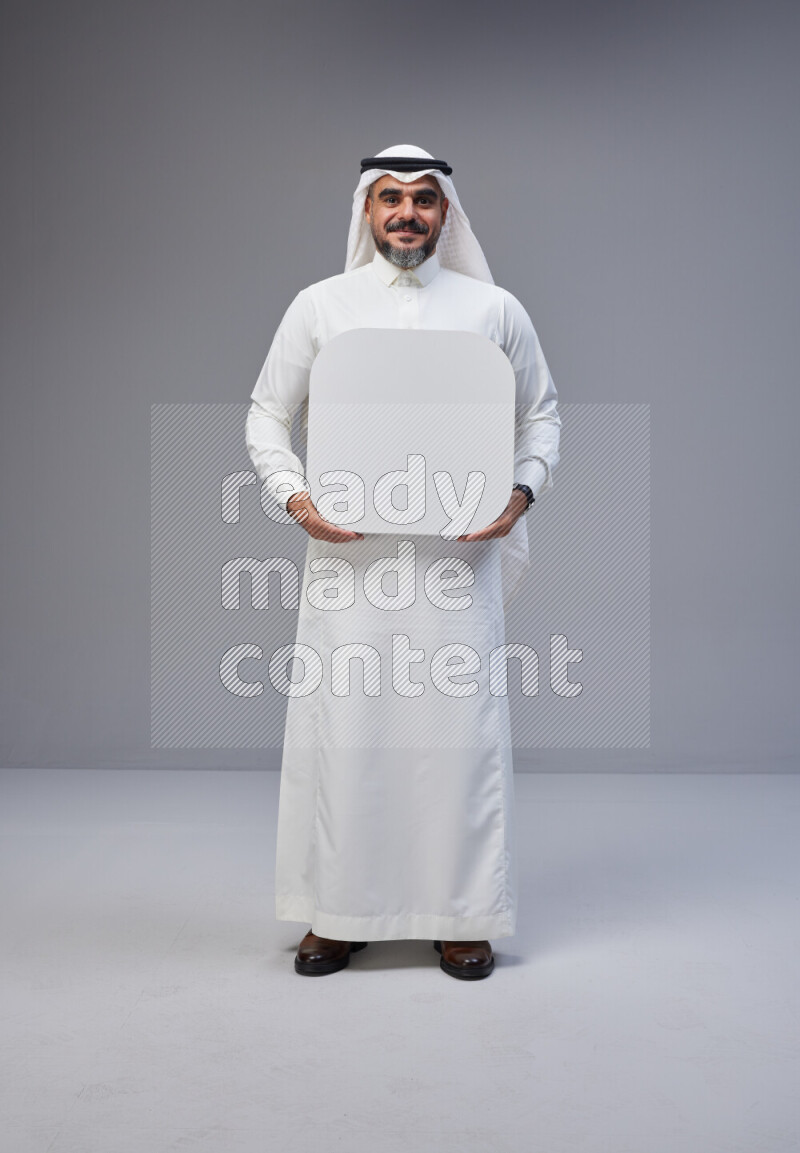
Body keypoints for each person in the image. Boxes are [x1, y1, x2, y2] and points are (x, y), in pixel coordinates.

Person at [245, 144, 561, 979]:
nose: (407, 213)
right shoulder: (320, 306)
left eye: (424, 198)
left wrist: (519, 495)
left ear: (447, 213)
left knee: (456, 736)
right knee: (347, 732)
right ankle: (339, 914)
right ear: (366, 210)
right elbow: (267, 415)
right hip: (350, 570)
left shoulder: (494, 309)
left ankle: (461, 916)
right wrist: (298, 500)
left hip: (457, 569)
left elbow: (541, 417)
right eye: (390, 198)